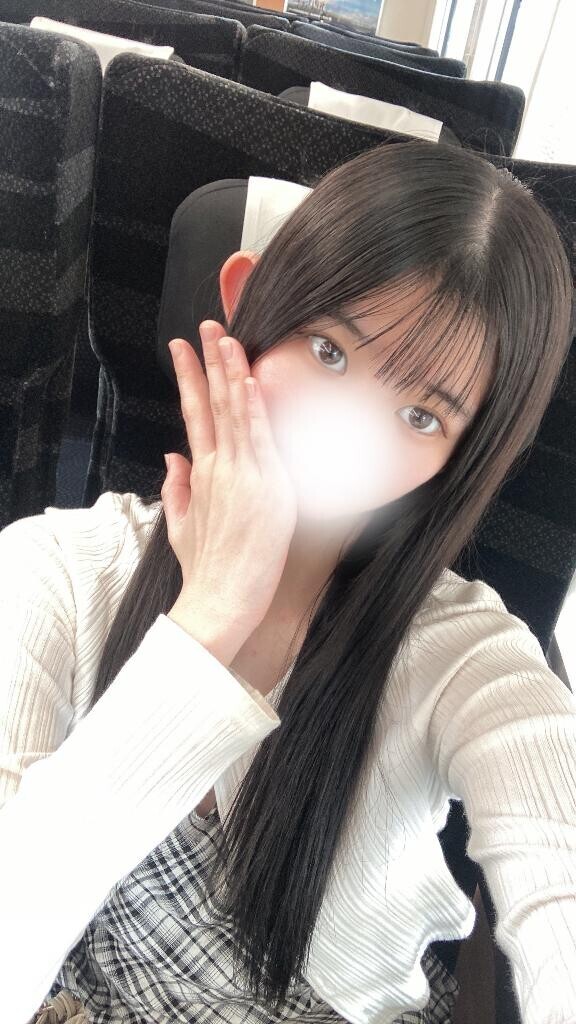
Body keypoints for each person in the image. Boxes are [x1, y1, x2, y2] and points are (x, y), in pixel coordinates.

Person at [1, 139, 575, 1024]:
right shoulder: (55, 570)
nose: (349, 427)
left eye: (421, 414)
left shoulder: (467, 659)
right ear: (245, 302)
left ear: (464, 455)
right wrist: (207, 623)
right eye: (330, 351)